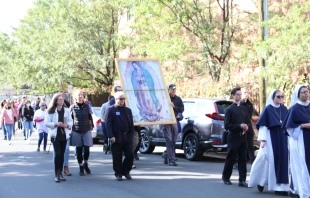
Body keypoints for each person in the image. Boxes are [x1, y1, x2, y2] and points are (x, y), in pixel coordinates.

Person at [248, 90, 289, 195]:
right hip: (271, 138)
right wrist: (263, 139)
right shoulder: (268, 109)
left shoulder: (284, 109)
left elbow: (287, 125)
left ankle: (280, 187)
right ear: (273, 97)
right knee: (269, 161)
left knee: (283, 161)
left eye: (282, 96)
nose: (280, 98)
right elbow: (263, 126)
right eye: (278, 96)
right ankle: (261, 182)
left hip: (283, 138)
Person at [282, 85, 310, 198]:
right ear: (298, 95)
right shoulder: (294, 108)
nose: (306, 94)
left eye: (307, 92)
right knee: (303, 165)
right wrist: (304, 125)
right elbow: (290, 129)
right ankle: (304, 191)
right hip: (301, 140)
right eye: (303, 92)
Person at [222, 87, 250, 187]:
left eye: (240, 94)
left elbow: (247, 121)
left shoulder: (243, 108)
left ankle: (242, 180)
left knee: (243, 158)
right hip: (233, 136)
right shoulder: (230, 109)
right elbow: (227, 125)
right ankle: (226, 177)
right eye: (237, 94)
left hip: (243, 137)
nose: (239, 96)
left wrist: (246, 127)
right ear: (233, 95)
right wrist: (239, 126)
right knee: (231, 157)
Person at [106, 91, 134, 181]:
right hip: (116, 137)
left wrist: (131, 134)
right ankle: (118, 173)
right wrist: (111, 136)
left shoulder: (128, 110)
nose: (122, 101)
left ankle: (126, 171)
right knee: (117, 156)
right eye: (121, 99)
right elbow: (108, 124)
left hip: (127, 137)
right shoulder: (111, 110)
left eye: (123, 99)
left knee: (130, 155)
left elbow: (131, 124)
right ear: (116, 99)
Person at [45, 93, 73, 182]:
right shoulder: (51, 111)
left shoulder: (67, 110)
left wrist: (67, 125)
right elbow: (46, 122)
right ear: (55, 101)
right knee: (57, 154)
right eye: (59, 99)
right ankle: (56, 174)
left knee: (62, 154)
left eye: (62, 99)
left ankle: (60, 173)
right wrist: (55, 124)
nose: (61, 101)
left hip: (64, 134)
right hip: (55, 135)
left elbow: (71, 121)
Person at [70, 90, 94, 176]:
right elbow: (70, 119)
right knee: (78, 149)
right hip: (76, 129)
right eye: (78, 95)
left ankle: (86, 164)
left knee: (87, 148)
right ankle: (80, 167)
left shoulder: (87, 106)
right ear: (75, 97)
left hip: (86, 129)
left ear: (84, 96)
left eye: (81, 95)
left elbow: (90, 117)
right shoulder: (72, 107)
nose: (80, 96)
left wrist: (91, 125)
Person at [163, 84, 184, 166]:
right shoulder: (165, 98)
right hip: (166, 121)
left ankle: (166, 155)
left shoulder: (178, 99)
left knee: (174, 140)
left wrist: (174, 107)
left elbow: (182, 109)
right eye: (172, 89)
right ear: (169, 90)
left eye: (175, 89)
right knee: (169, 140)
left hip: (174, 121)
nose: (174, 90)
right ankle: (171, 160)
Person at [240, 88, 255, 164]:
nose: (246, 94)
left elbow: (250, 116)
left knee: (250, 146)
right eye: (244, 92)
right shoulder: (239, 104)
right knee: (240, 146)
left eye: (247, 92)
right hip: (241, 128)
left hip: (249, 128)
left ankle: (253, 162)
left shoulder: (249, 104)